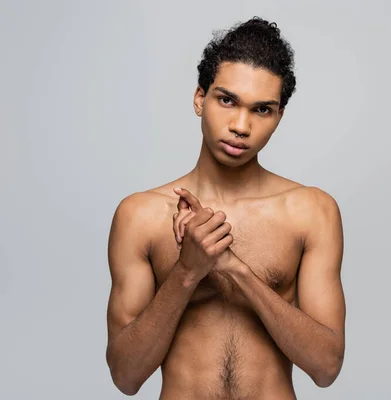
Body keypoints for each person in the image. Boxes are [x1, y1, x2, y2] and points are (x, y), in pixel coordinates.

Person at [105, 17, 346, 399]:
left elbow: (326, 367)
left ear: (279, 116)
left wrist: (234, 268)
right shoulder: (140, 216)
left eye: (262, 110)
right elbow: (125, 375)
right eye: (227, 100)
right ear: (200, 98)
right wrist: (187, 271)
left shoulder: (311, 212)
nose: (240, 125)